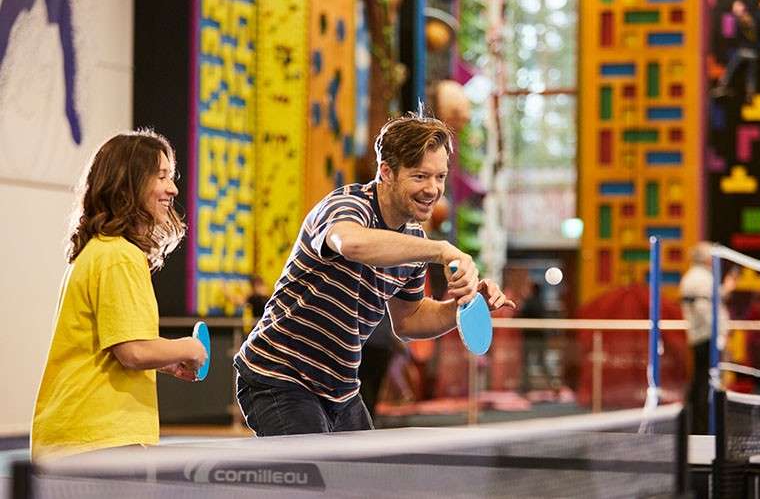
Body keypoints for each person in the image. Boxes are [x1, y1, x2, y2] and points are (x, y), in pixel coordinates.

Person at [234, 112, 515, 436]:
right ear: (386, 172)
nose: (433, 189)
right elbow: (351, 243)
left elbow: (409, 321)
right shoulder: (347, 206)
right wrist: (441, 250)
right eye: (420, 176)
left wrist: (463, 308)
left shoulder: (413, 240)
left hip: (340, 390)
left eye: (440, 177)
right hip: (278, 375)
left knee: (368, 470)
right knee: (313, 469)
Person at [31, 130, 207, 460]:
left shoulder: (100, 251)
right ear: (128, 184)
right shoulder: (120, 256)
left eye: (171, 176)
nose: (173, 189)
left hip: (81, 437)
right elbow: (134, 351)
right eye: (161, 176)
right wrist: (190, 348)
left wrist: (167, 361)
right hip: (98, 439)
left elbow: (117, 347)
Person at [679, 242, 736, 434]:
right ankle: (701, 427)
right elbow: (704, 308)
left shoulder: (697, 277)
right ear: (705, 258)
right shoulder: (700, 278)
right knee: (704, 383)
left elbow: (710, 300)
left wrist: (726, 289)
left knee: (700, 381)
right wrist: (719, 334)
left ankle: (696, 425)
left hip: (702, 336)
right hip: (706, 338)